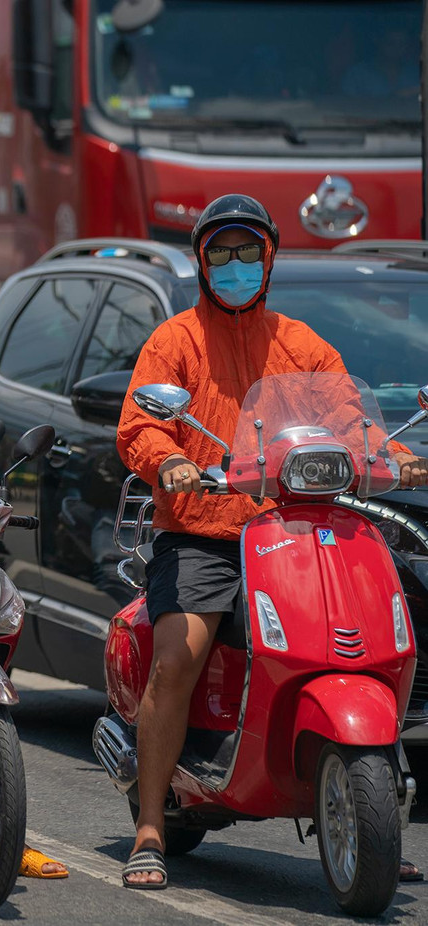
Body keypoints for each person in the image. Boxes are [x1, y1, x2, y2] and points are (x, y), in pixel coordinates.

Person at [115, 193, 428, 889]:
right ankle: (150, 825)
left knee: (375, 635)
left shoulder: (303, 344)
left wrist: (388, 452)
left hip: (296, 527)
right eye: (220, 253)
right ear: (201, 262)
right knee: (179, 656)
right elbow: (141, 425)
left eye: (248, 251)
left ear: (269, 259)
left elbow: (351, 417)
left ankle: (367, 805)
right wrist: (168, 459)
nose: (235, 266)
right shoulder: (176, 341)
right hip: (203, 532)